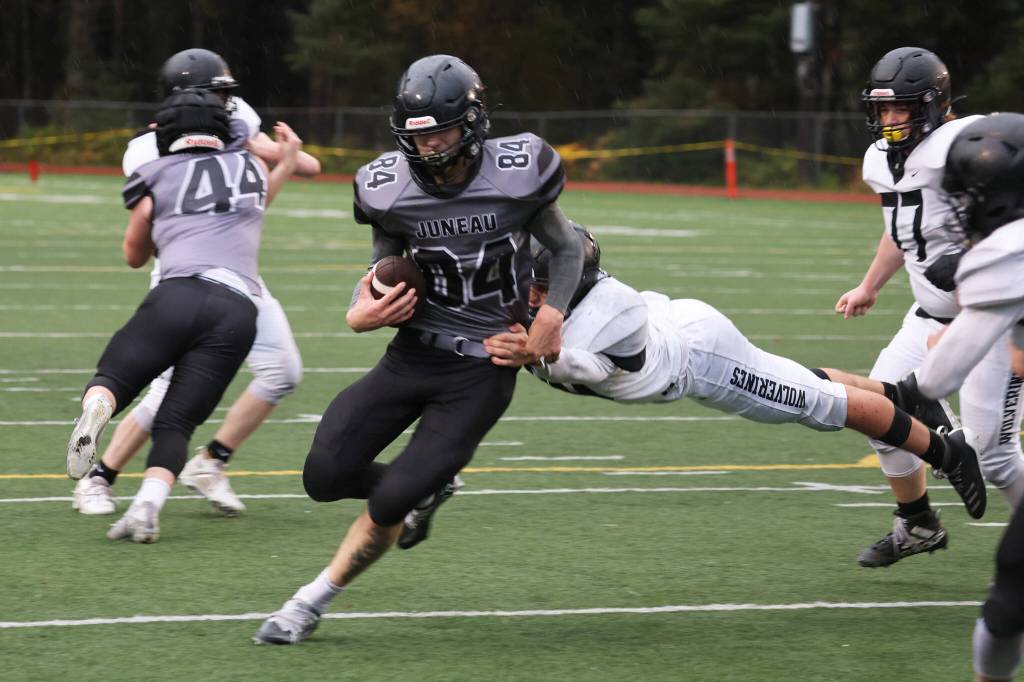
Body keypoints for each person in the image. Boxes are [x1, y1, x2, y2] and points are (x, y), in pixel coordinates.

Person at [251, 55, 583, 645]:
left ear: (474, 122)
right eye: (418, 134)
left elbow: (565, 247)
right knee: (323, 477)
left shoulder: (520, 169)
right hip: (412, 353)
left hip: (484, 363)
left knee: (392, 501)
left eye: (441, 132)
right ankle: (426, 485)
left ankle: (308, 602)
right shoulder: (386, 186)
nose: (428, 146)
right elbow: (382, 264)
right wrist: (364, 306)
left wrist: (550, 316)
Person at [483, 223, 985, 534]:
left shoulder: (610, 312)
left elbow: (588, 368)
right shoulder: (555, 300)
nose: (532, 298)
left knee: (823, 405)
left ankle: (947, 453)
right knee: (802, 381)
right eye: (528, 285)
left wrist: (536, 356)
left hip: (699, 359)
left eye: (542, 287)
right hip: (682, 328)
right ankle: (907, 396)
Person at [72, 48, 321, 518]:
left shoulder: (234, 120)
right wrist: (273, 156)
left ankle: (210, 462)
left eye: (229, 94)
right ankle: (99, 477)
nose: (228, 103)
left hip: (238, 272)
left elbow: (300, 167)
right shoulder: (147, 150)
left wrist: (276, 154)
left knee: (283, 371)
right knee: (168, 391)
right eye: (219, 94)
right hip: (181, 271)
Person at [834, 47, 1024, 568]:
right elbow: (902, 229)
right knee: (880, 416)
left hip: (992, 320)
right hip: (927, 315)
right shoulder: (879, 159)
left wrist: (968, 258)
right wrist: (870, 284)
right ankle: (917, 524)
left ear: (935, 105)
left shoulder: (967, 142)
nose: (891, 121)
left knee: (995, 456)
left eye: (903, 109)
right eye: (884, 110)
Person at [893, 113, 1024, 682]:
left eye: (970, 196)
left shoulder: (1010, 250)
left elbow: (937, 379)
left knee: (1007, 602)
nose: (961, 210)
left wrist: (897, 397)